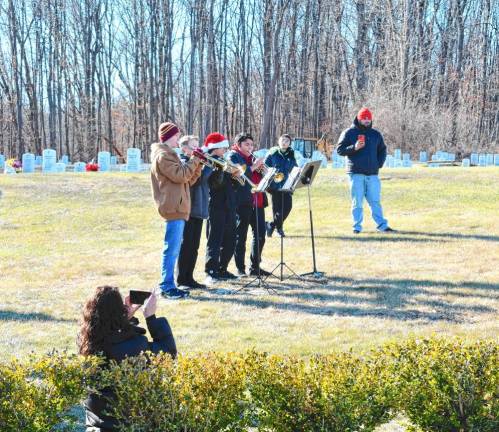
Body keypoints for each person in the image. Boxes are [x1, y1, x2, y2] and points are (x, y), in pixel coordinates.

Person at [78, 286, 176, 431]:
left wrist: (125, 318)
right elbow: (168, 354)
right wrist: (150, 317)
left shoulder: (85, 341)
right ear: (119, 312)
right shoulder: (134, 346)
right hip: (126, 426)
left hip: (95, 426)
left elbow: (111, 334)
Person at [150, 122, 202, 299]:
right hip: (173, 207)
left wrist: (199, 164)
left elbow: (188, 180)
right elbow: (180, 175)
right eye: (176, 136)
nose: (178, 139)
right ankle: (166, 285)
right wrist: (195, 159)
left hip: (178, 206)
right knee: (171, 249)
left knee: (173, 248)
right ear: (168, 136)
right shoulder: (163, 155)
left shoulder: (170, 154)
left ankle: (168, 284)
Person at [337, 107, 395, 234]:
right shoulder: (349, 132)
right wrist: (355, 147)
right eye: (364, 118)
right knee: (357, 202)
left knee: (375, 201)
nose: (367, 120)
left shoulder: (376, 134)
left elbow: (382, 150)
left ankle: (382, 226)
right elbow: (340, 150)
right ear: (359, 118)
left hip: (372, 174)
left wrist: (378, 164)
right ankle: (356, 227)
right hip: (356, 173)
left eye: (369, 118)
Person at [228, 133, 269, 277]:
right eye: (247, 145)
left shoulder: (252, 158)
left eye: (251, 145)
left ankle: (255, 267)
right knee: (241, 236)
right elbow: (240, 175)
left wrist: (265, 172)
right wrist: (254, 166)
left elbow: (260, 177)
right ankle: (240, 268)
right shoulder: (233, 156)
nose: (250, 148)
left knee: (260, 235)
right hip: (242, 201)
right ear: (238, 145)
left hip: (257, 200)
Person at [202, 132, 238, 285]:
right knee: (215, 238)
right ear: (215, 148)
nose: (225, 149)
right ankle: (211, 270)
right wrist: (223, 170)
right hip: (215, 204)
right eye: (223, 147)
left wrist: (235, 174)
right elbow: (215, 184)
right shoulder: (208, 162)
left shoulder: (224, 161)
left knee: (230, 237)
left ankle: (223, 267)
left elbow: (232, 185)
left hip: (229, 204)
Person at [176, 135, 209, 290]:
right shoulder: (182, 161)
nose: (197, 150)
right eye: (193, 147)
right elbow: (190, 180)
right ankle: (182, 278)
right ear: (184, 148)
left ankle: (190, 277)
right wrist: (200, 164)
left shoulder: (196, 161)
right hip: (188, 208)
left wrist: (204, 165)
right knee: (186, 245)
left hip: (199, 208)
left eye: (198, 147)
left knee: (194, 246)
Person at [264, 134, 297, 238]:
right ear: (278, 141)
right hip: (274, 185)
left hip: (287, 185)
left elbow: (294, 168)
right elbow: (264, 167)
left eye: (287, 141)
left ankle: (271, 225)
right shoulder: (272, 153)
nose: (284, 142)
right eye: (282, 140)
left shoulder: (291, 154)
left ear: (289, 143)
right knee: (277, 208)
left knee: (288, 206)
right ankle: (279, 229)